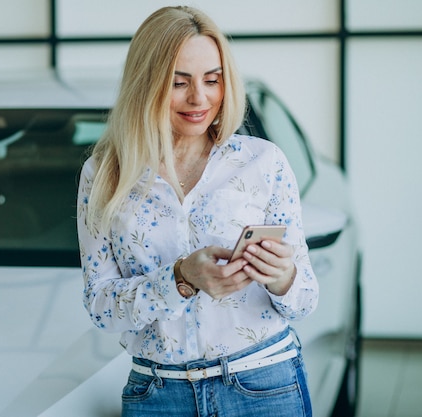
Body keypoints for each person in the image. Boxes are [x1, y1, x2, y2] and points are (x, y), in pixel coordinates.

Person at [76, 5, 318, 417]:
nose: (199, 98)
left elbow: (305, 299)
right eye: (178, 82)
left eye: (212, 80)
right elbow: (101, 307)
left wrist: (283, 277)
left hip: (263, 386)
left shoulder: (264, 162)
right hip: (157, 394)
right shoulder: (104, 175)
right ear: (145, 84)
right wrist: (181, 278)